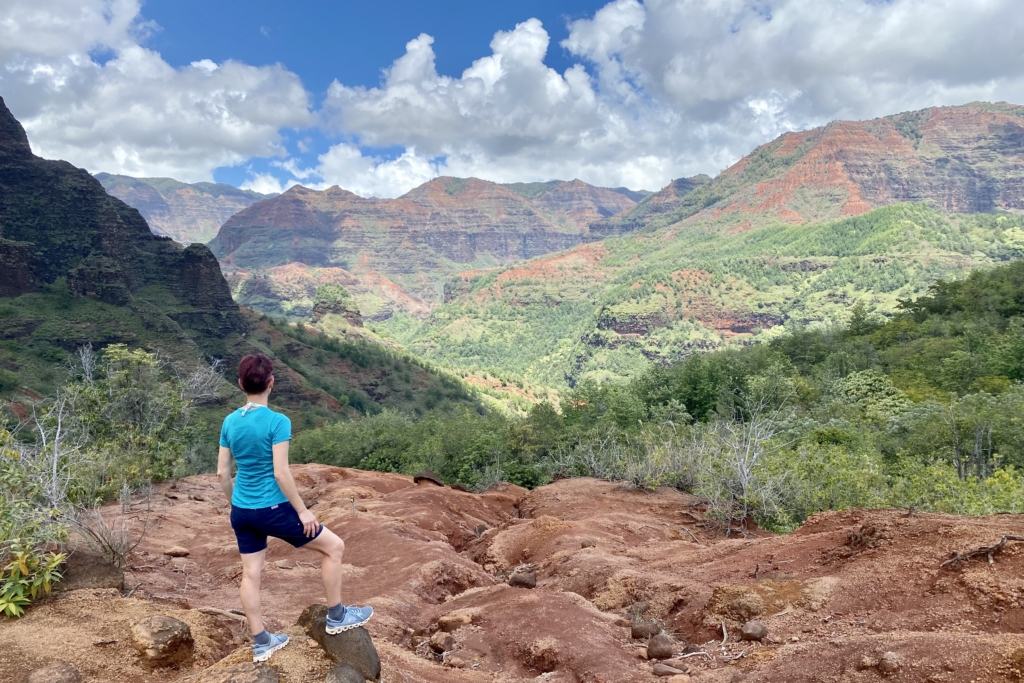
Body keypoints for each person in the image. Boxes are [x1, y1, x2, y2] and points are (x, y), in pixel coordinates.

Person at [217, 354, 372, 662]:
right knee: (334, 547)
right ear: (271, 383)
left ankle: (262, 640)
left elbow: (222, 472)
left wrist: (236, 504)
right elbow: (280, 472)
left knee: (251, 573)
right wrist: (302, 510)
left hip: (242, 510)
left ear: (240, 384)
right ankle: (337, 616)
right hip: (272, 508)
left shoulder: (230, 421)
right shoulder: (278, 422)